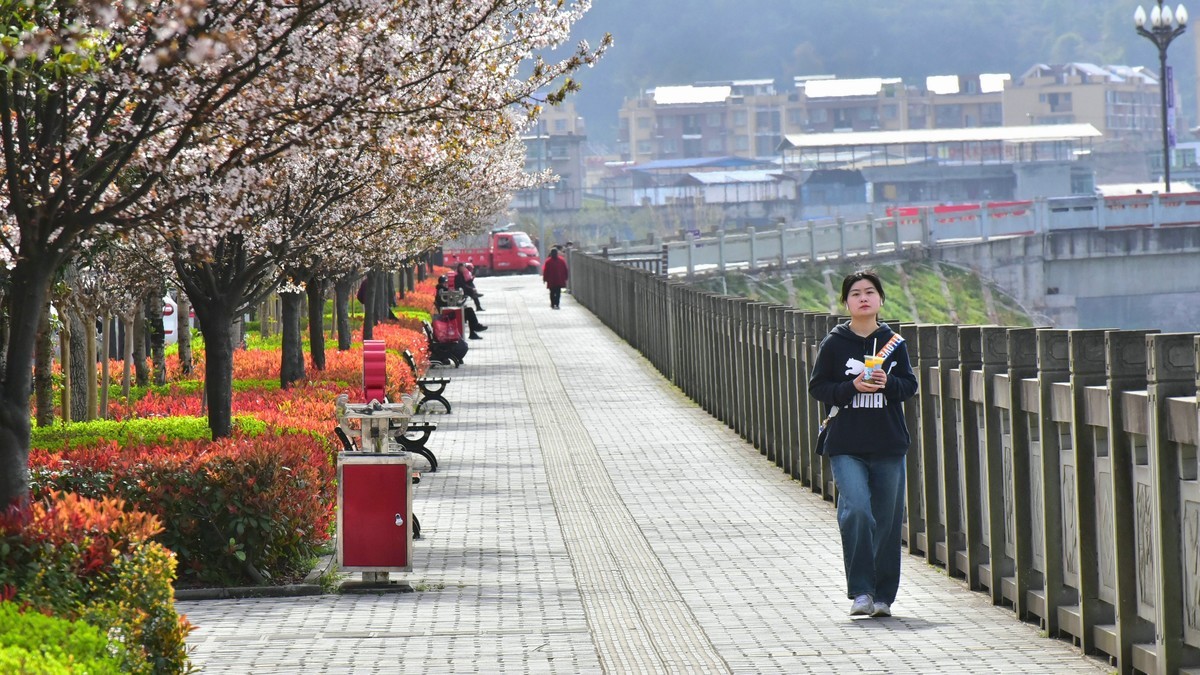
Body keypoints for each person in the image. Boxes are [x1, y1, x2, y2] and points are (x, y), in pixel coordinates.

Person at [807, 269, 918, 619]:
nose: (864, 298)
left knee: (886, 521)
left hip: (887, 442)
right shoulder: (834, 343)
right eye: (856, 293)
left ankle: (884, 596)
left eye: (870, 292)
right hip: (846, 442)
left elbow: (909, 386)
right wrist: (851, 387)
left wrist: (886, 383)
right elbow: (818, 388)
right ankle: (861, 591)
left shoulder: (894, 343)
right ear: (846, 302)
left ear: (881, 299)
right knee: (855, 510)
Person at [436, 274, 487, 339]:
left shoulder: (442, 290)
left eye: (447, 282)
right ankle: (475, 328)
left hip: (451, 311)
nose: (446, 284)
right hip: (450, 314)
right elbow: (449, 303)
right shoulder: (443, 291)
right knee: (469, 311)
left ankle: (473, 331)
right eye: (445, 283)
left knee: (468, 310)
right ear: (441, 283)